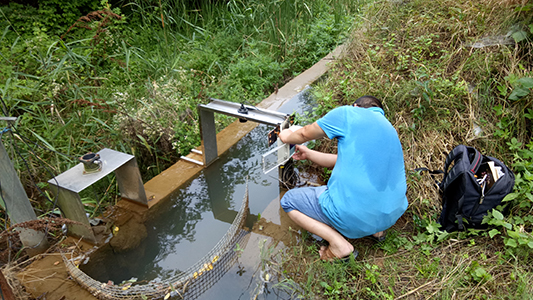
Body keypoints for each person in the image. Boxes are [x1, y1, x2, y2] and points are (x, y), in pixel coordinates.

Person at [278, 95, 408, 261]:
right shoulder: (388, 129)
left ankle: (339, 245)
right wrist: (310, 154)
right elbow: (342, 161)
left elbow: (304, 133)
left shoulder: (349, 114)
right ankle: (378, 231)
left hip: (354, 215)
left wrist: (286, 135)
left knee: (288, 200)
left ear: (355, 106)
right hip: (391, 214)